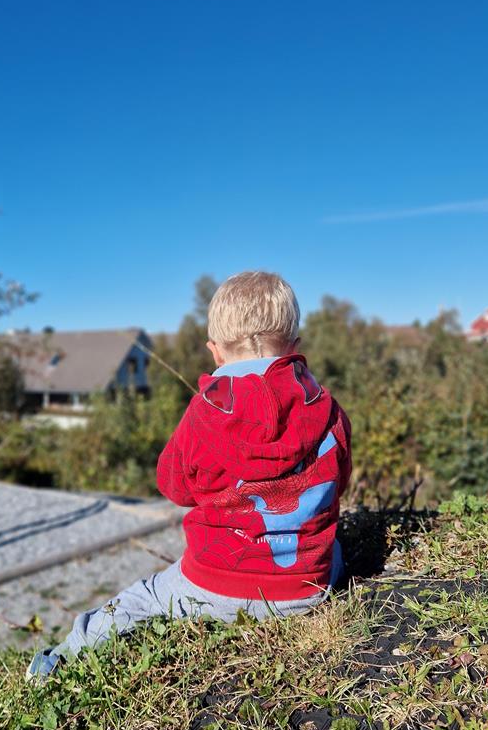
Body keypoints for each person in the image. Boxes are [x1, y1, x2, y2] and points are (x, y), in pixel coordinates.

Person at [26, 271, 351, 682]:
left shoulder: (204, 413)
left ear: (215, 352)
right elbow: (339, 481)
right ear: (295, 347)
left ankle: (58, 661)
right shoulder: (327, 409)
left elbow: (175, 486)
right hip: (307, 585)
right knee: (337, 546)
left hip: (214, 582)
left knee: (140, 599)